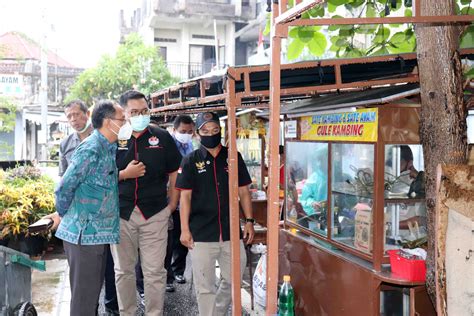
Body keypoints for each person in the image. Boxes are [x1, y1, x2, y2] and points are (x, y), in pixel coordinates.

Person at [176, 111, 255, 316]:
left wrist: (249, 221)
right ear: (198, 133)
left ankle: (217, 313)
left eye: (215, 130)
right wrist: (184, 230)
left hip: (231, 232)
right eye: (205, 130)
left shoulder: (233, 157)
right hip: (201, 234)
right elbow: (184, 198)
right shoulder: (190, 160)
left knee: (233, 280)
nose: (210, 133)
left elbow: (244, 191)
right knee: (205, 288)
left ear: (220, 130)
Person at [111, 90, 182, 316]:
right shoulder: (114, 138)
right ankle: (127, 313)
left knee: (155, 272)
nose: (141, 115)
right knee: (123, 271)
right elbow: (102, 175)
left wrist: (172, 205)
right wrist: (124, 173)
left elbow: (174, 172)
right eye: (134, 112)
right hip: (122, 213)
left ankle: (154, 313)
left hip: (155, 213)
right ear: (124, 113)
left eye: (144, 111)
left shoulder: (161, 136)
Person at [54, 100, 125, 316]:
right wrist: (67, 214)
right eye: (122, 119)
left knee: (92, 297)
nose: (126, 122)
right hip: (83, 236)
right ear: (108, 122)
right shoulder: (92, 148)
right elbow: (64, 186)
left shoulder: (108, 147)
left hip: (97, 234)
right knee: (84, 302)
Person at [164, 115, 195, 292]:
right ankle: (167, 276)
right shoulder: (168, 146)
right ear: (174, 130)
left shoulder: (190, 145)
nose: (186, 135)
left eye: (190, 132)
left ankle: (178, 271)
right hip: (170, 200)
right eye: (183, 132)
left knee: (183, 237)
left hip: (186, 199)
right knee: (169, 241)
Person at [59, 100, 93, 176]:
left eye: (77, 114)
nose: (73, 119)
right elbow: (63, 176)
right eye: (69, 116)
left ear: (87, 114)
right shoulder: (65, 144)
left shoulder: (102, 137)